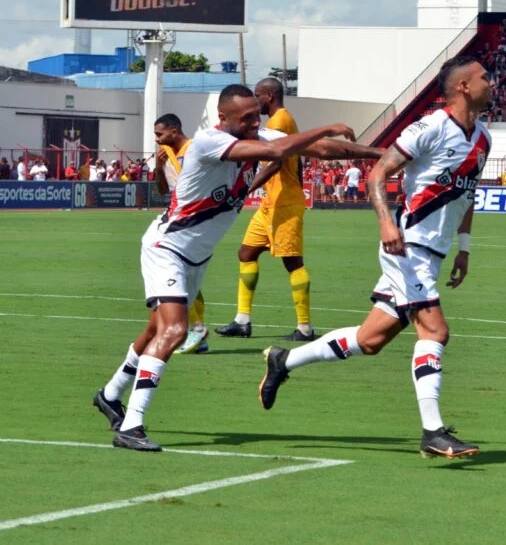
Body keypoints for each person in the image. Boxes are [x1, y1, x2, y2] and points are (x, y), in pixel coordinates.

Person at [92, 84, 379, 451]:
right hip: (167, 248)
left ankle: (110, 395)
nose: (253, 121)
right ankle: (131, 425)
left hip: (196, 256)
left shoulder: (257, 134)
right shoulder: (209, 142)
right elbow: (281, 150)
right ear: (222, 118)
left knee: (156, 330)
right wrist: (324, 127)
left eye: (256, 114)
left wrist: (385, 153)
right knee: (176, 330)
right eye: (245, 117)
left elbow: (321, 151)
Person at [256, 55, 492, 459]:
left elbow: (466, 196)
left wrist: (465, 248)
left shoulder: (484, 137)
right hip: (407, 247)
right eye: (484, 77)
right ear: (463, 87)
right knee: (435, 332)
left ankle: (284, 360)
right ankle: (433, 431)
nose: (492, 82)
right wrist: (387, 224)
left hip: (434, 253)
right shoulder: (431, 127)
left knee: (370, 340)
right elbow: (377, 175)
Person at [217, 78, 317, 342]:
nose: (255, 100)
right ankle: (242, 321)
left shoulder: (278, 121)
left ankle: (305, 328)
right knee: (246, 253)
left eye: (258, 95)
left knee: (292, 261)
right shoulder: (280, 120)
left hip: (284, 201)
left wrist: (247, 188)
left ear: (270, 95)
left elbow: (274, 162)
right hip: (271, 201)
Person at [154, 114, 208, 355]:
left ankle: (196, 328)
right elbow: (162, 188)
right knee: (185, 275)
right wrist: (157, 166)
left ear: (174, 131)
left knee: (177, 271)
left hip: (194, 217)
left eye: (159, 134)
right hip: (177, 214)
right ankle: (198, 334)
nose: (157, 139)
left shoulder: (194, 149)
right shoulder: (165, 153)